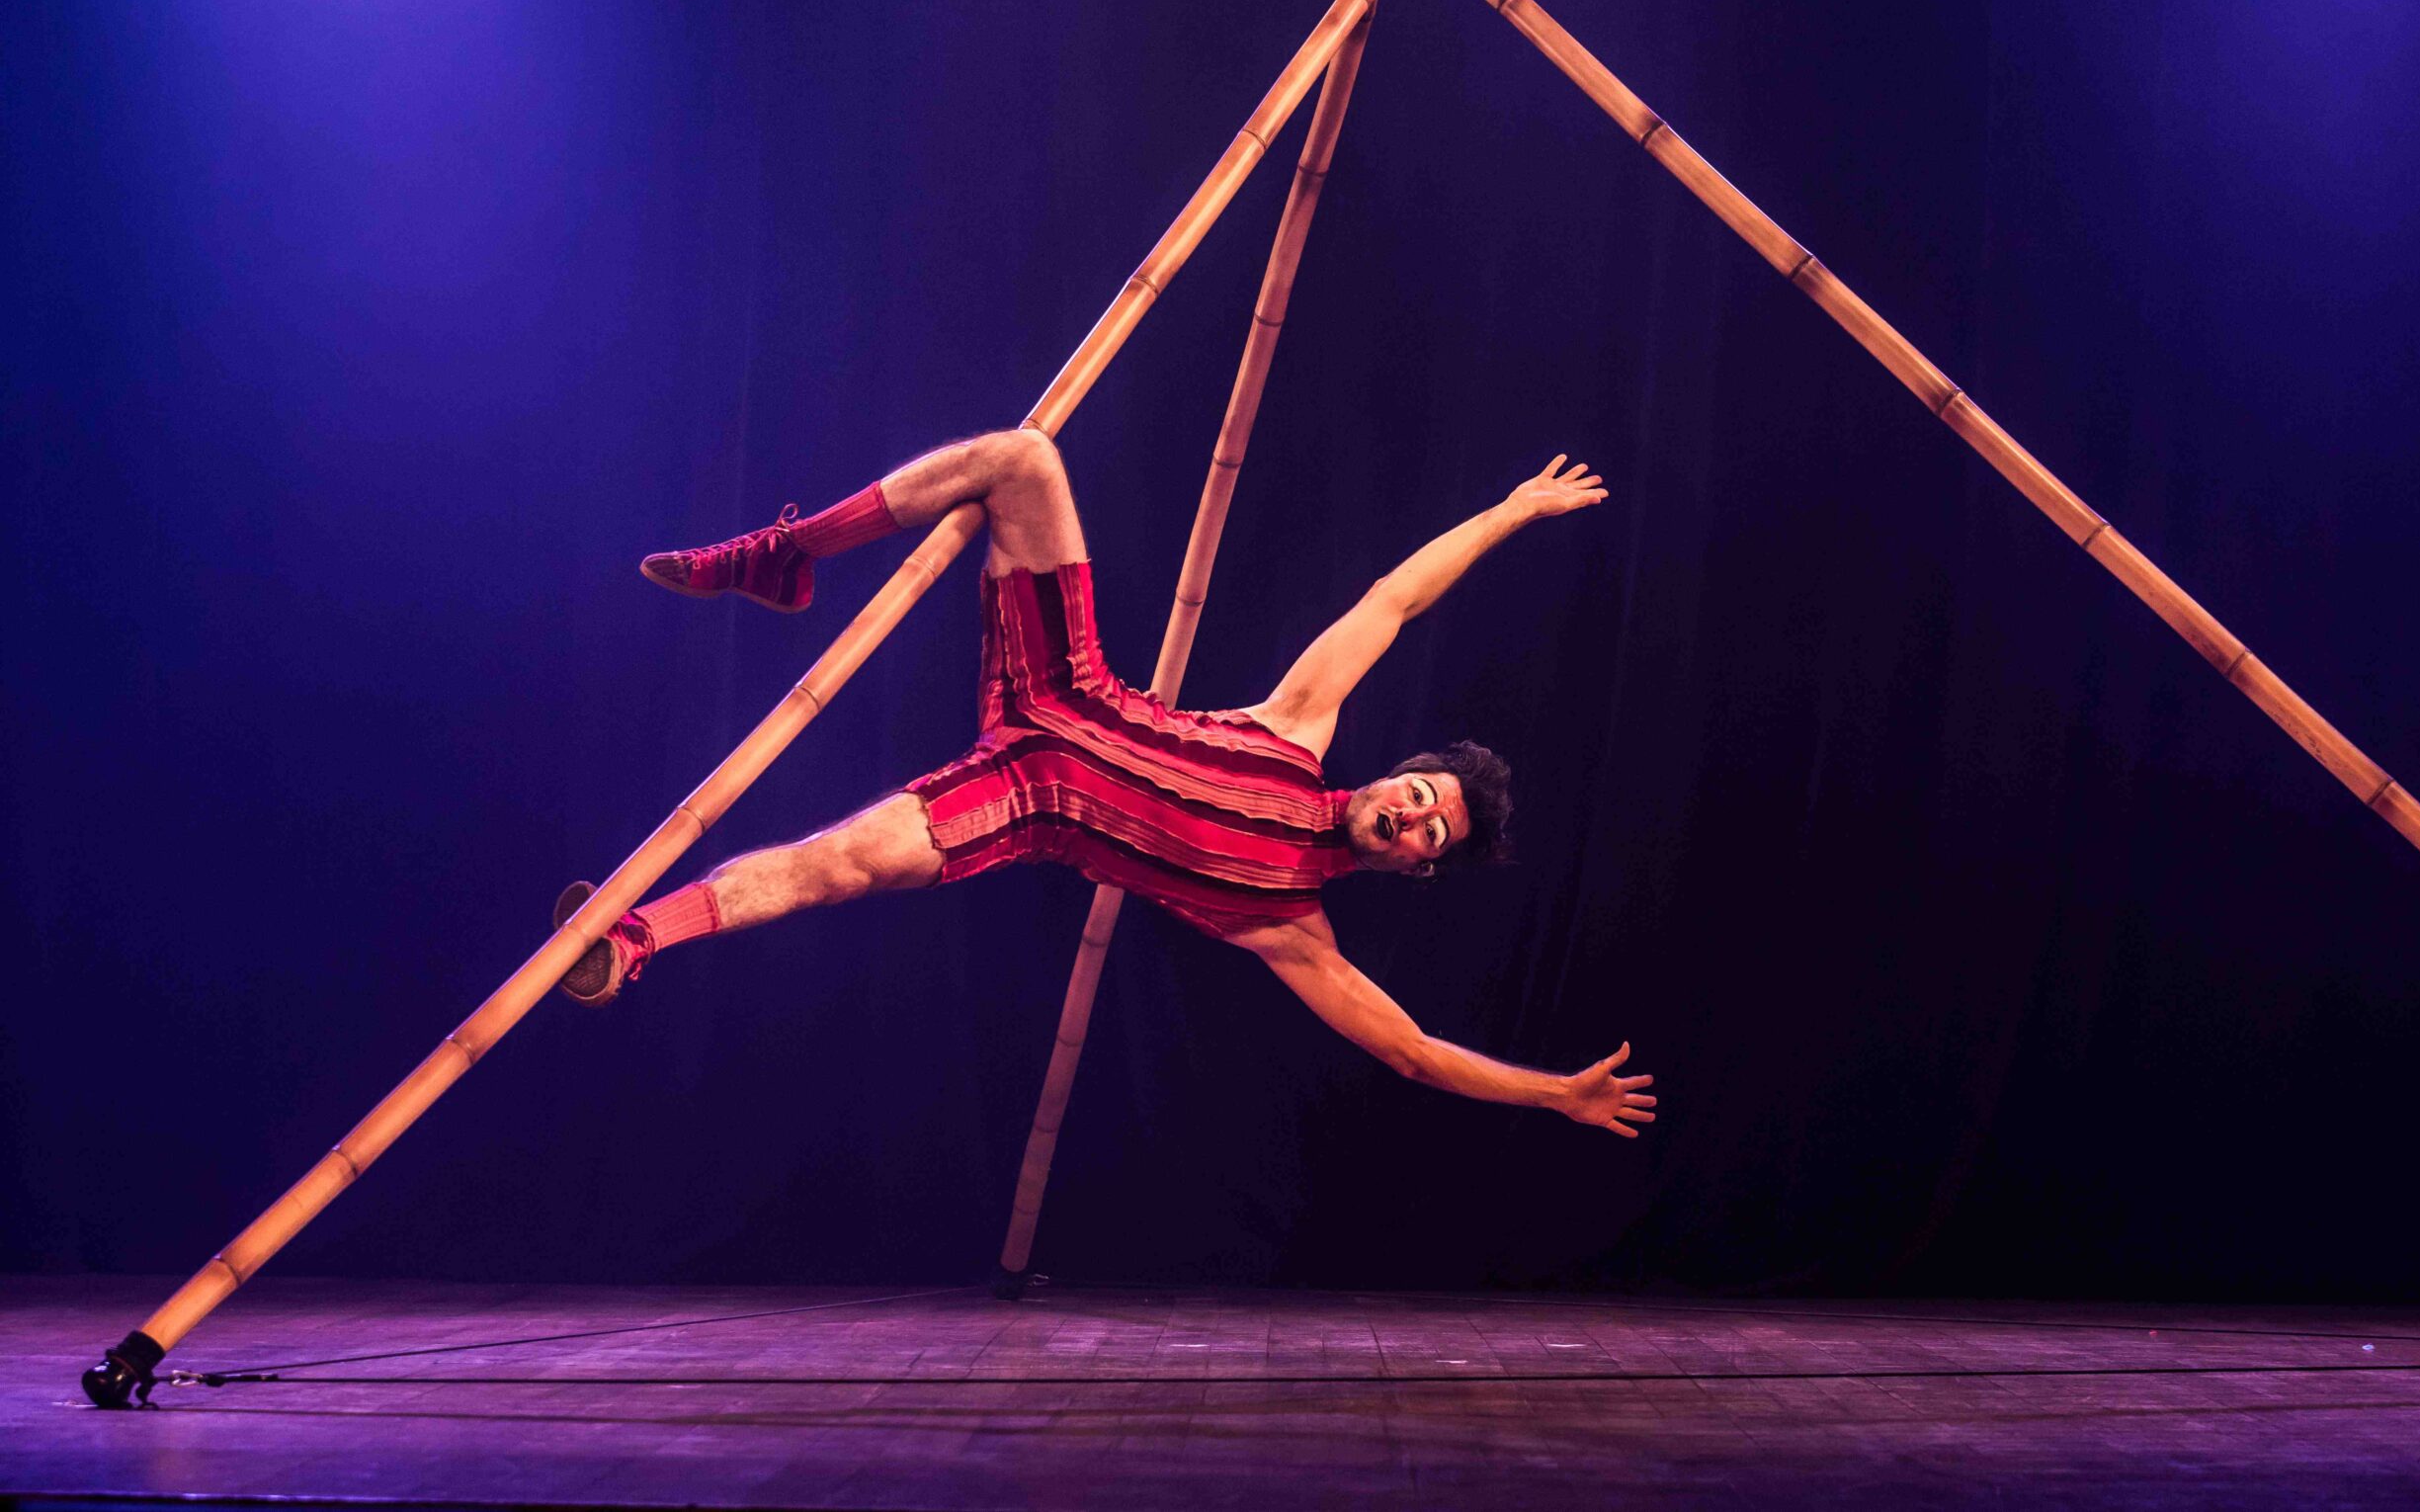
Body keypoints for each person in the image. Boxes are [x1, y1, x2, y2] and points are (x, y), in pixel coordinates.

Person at [558, 428, 1655, 1138]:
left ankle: (633, 940)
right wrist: (1512, 511)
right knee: (1025, 459)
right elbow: (1393, 601)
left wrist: (1555, 1094)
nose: (1414, 816)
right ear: (1398, 777)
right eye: (1423, 795)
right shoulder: (1298, 728)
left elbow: (1411, 1054)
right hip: (1068, 686)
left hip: (1022, 802)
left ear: (1417, 867)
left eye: (1432, 835)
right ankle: (790, 554)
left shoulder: (1289, 925)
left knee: (836, 864)